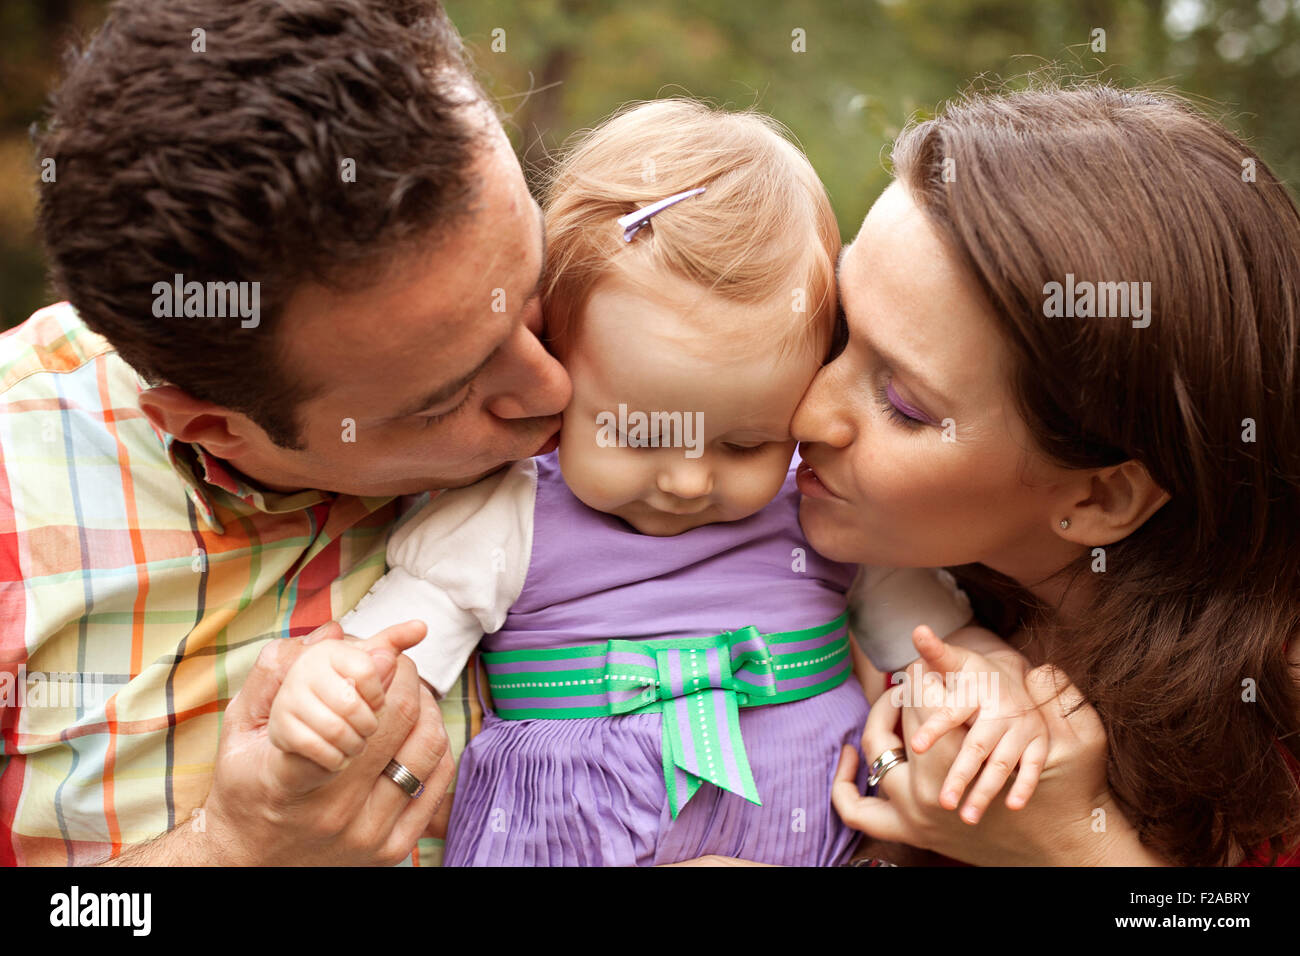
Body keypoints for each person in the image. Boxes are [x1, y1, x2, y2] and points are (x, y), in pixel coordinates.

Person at [280, 100, 1041, 865]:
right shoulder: (510, 514)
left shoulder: (820, 513)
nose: (685, 479)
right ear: (561, 369)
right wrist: (331, 684)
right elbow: (388, 655)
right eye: (641, 435)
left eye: (747, 441)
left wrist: (996, 687)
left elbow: (940, 646)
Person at [0, 0, 569, 865]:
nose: (554, 388)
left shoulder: (633, 343)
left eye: (532, 282)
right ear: (213, 429)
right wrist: (231, 849)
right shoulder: (18, 478)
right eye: (443, 397)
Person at [795, 82, 1300, 866]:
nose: (805, 416)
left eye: (903, 404)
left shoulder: (1278, 717)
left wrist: (1071, 847)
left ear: (1100, 496)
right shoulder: (848, 581)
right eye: (834, 328)